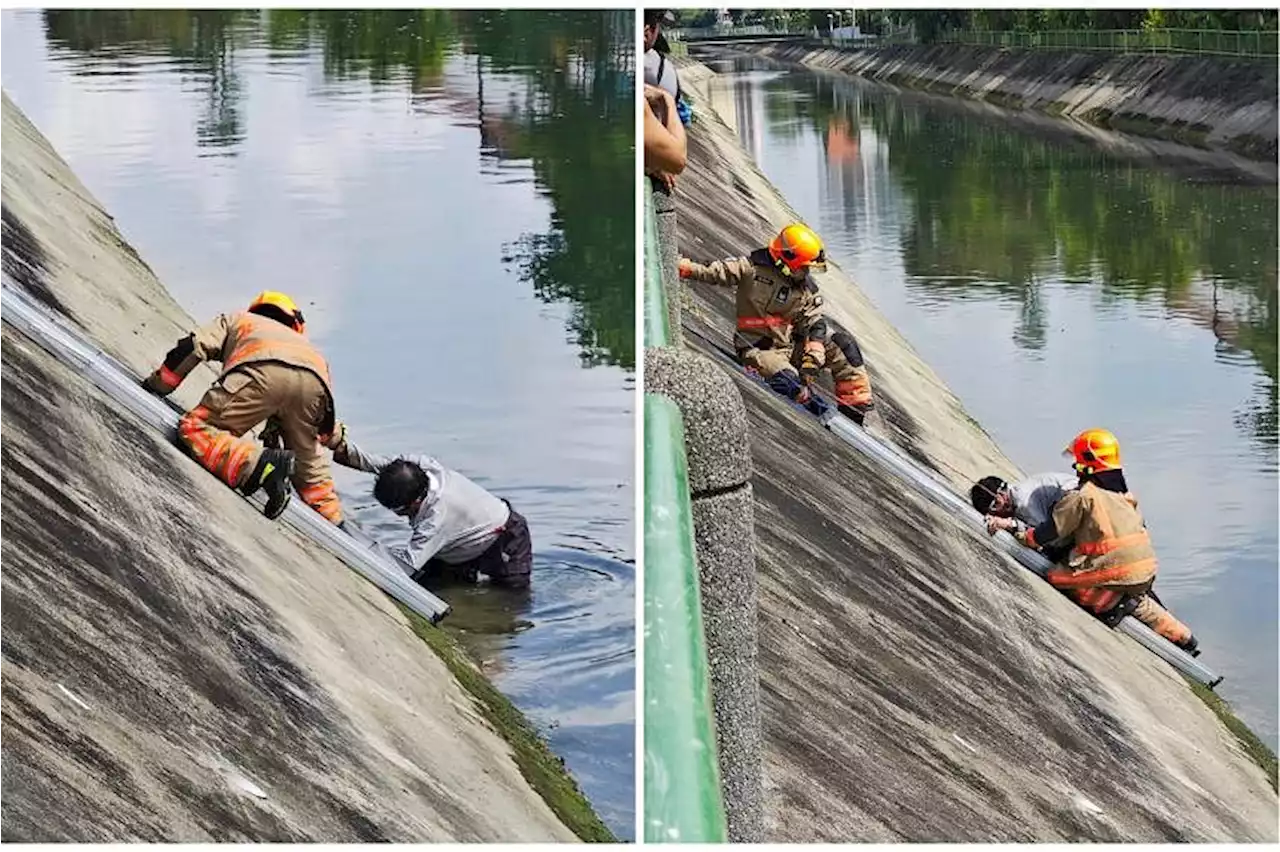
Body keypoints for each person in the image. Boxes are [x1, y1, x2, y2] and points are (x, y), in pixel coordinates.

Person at [141, 291, 345, 522]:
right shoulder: (312, 352)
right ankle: (333, 519)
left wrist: (158, 385)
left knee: (195, 428)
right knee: (310, 472)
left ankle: (260, 464)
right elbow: (320, 428)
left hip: (260, 374)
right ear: (296, 323)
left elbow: (192, 346)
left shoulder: (239, 320)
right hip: (315, 384)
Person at [1009, 428, 1199, 655]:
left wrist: (1021, 534)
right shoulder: (1125, 497)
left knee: (1057, 575)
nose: (1074, 467)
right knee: (1140, 602)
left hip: (1118, 575)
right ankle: (1186, 639)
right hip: (1146, 572)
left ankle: (1112, 606)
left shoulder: (1083, 496)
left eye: (1078, 461)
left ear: (1088, 463)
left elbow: (1049, 533)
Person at [678, 223, 875, 423]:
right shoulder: (750, 269)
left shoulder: (805, 290)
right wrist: (683, 268)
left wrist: (813, 355)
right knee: (790, 384)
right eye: (804, 267)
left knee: (844, 346)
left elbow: (815, 322)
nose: (806, 272)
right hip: (760, 351)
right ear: (788, 261)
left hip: (792, 347)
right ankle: (824, 418)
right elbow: (714, 271)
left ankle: (855, 413)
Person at [332, 440, 532, 590]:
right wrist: (340, 448)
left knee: (508, 597)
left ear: (416, 502)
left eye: (401, 512)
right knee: (432, 582)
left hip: (504, 539)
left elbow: (404, 568)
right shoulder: (421, 466)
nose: (401, 518)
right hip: (460, 540)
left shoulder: (435, 519)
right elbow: (381, 465)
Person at [971, 472, 1077, 562]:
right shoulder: (1020, 491)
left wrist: (1010, 524)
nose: (997, 516)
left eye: (994, 511)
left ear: (999, 499)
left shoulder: (1023, 502)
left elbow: (1045, 536)